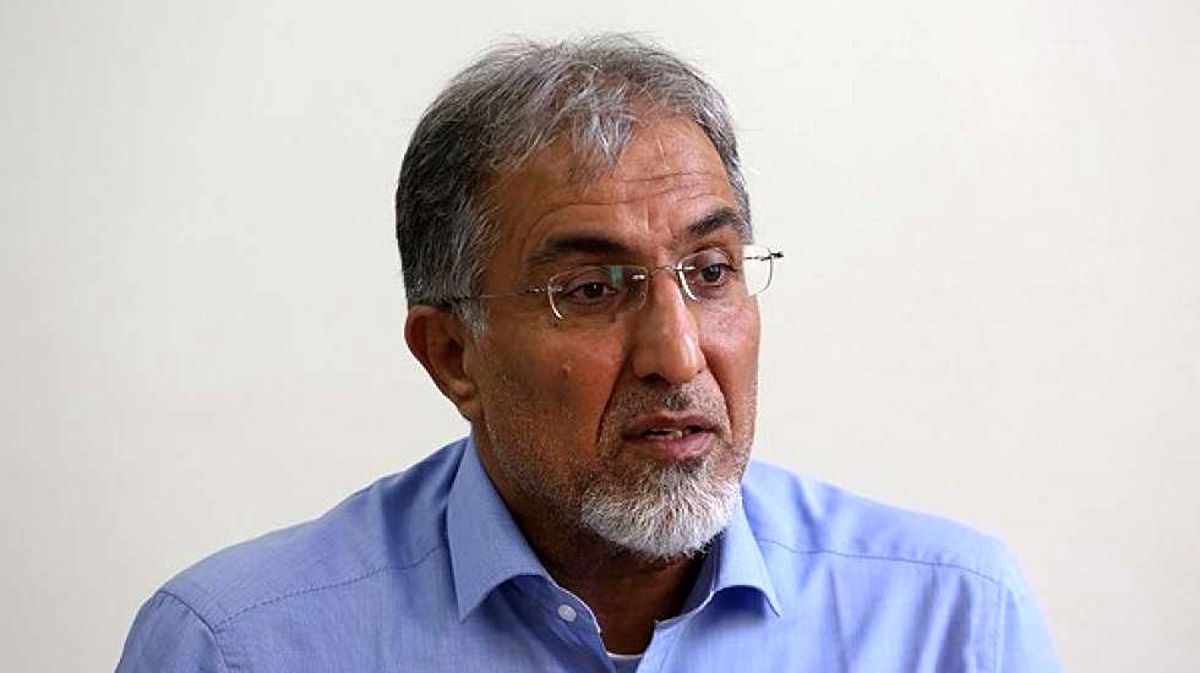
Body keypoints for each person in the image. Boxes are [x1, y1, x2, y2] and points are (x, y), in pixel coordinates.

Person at [115, 35, 1061, 672]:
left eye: (710, 271)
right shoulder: (237, 646)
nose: (677, 355)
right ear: (453, 355)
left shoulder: (950, 620)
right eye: (592, 290)